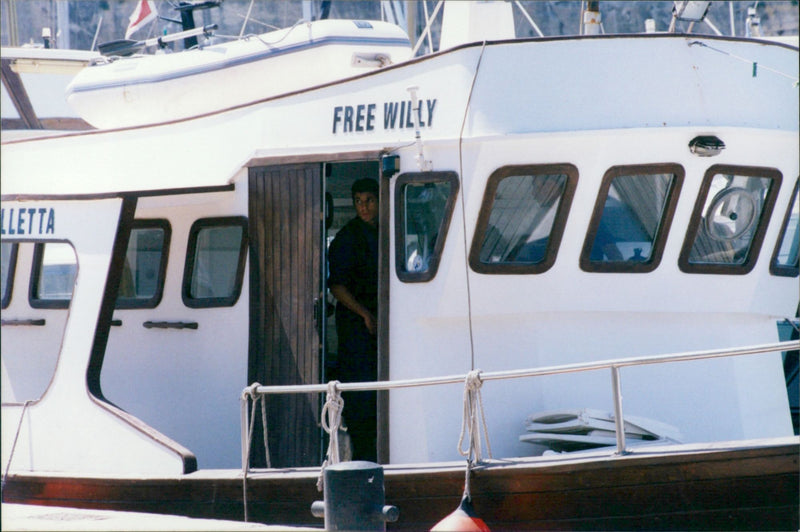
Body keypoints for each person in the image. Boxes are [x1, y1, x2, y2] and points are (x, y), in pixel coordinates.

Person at [327, 178, 379, 462]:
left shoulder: (386, 232)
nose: (364, 207)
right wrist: (365, 314)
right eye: (358, 201)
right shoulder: (346, 239)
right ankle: (361, 459)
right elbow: (336, 287)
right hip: (355, 328)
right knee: (359, 396)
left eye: (369, 200)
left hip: (376, 325)